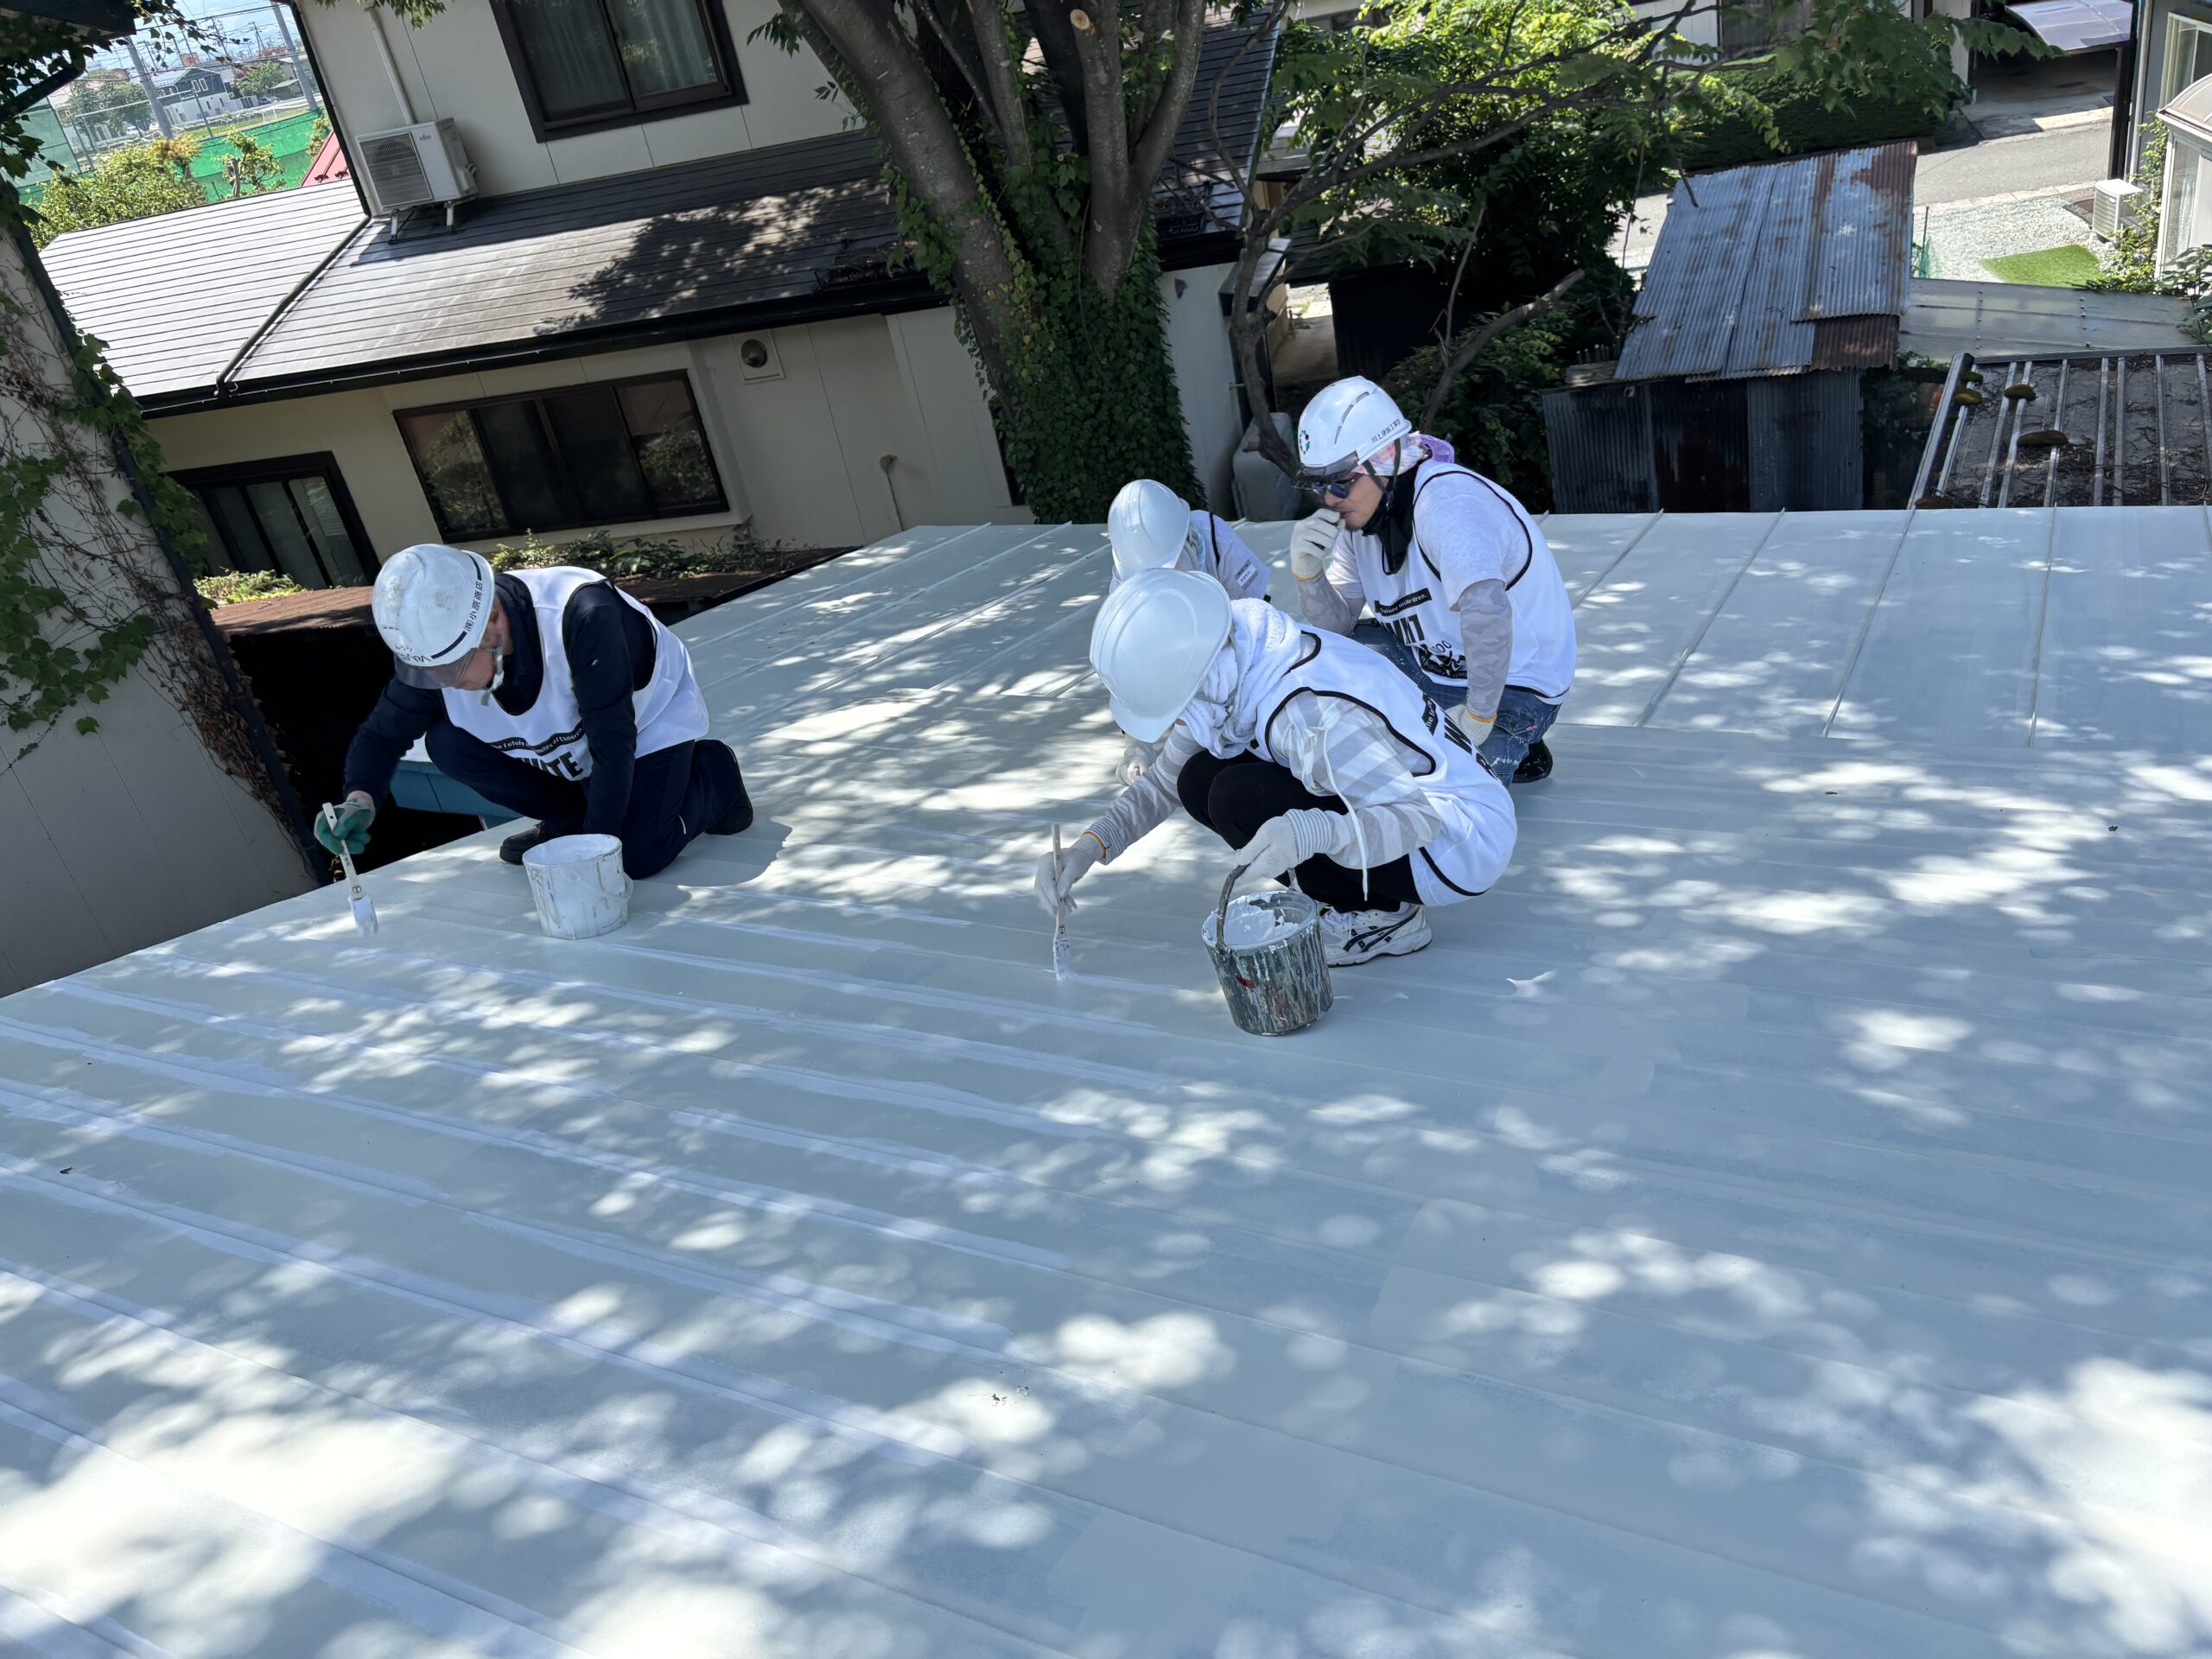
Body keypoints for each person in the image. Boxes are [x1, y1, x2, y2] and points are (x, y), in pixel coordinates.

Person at [1036, 568, 1515, 966]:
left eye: (1172, 709)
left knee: (1235, 795)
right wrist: (1088, 848)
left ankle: (1384, 916)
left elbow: (1415, 819)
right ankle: (1352, 890)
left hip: (1457, 844)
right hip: (1412, 806)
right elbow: (1165, 783)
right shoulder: (1237, 662)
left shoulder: (1306, 714)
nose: (1174, 723)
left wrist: (1316, 832)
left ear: (1197, 677)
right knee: (1197, 778)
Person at [315, 543, 752, 877]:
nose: (441, 682)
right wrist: (359, 799)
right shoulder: (440, 653)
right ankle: (568, 819)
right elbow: (381, 736)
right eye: (428, 672)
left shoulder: (582, 616)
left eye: (452, 668)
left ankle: (714, 770)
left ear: (493, 619)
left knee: (637, 857)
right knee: (446, 744)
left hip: (645, 724)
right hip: (568, 743)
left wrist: (595, 853)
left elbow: (613, 746)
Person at [1287, 376, 1575, 786]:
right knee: (1329, 654)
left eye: (1340, 482)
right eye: (1319, 486)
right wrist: (1308, 573)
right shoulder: (1358, 521)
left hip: (1515, 684)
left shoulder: (1447, 504)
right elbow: (1336, 629)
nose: (1330, 499)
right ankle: (1446, 727)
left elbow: (1487, 611)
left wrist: (1478, 716)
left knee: (1455, 792)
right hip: (1434, 668)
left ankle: (1514, 734)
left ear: (1385, 462)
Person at [1105, 479, 1273, 784]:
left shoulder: (1216, 540)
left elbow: (1258, 630)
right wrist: (1136, 745)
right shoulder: (1125, 580)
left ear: (1188, 540)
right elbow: (1131, 666)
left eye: (1167, 569)